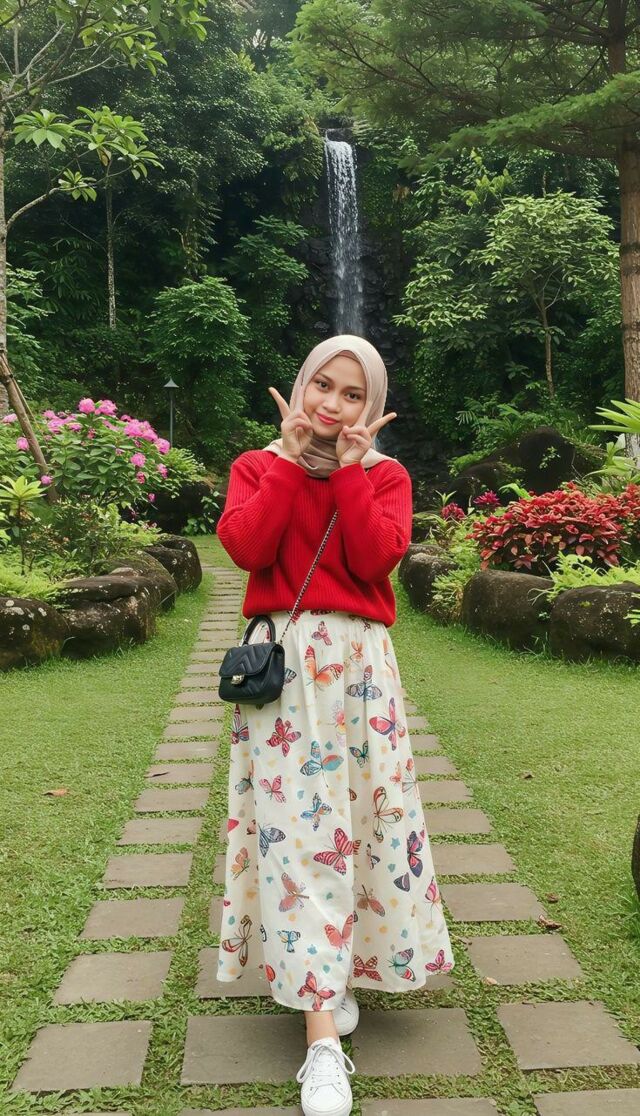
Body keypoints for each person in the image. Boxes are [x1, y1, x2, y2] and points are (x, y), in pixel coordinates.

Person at [215, 335, 455, 1116]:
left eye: (354, 394)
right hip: (286, 678)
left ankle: (336, 970)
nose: (334, 404)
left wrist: (350, 470)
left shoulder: (385, 476)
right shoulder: (258, 466)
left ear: (371, 405)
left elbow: (374, 559)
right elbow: (247, 546)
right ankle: (322, 1041)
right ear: (300, 386)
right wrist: (289, 462)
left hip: (360, 673)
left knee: (365, 826)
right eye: (324, 385)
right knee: (298, 839)